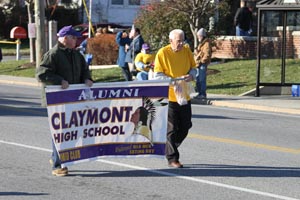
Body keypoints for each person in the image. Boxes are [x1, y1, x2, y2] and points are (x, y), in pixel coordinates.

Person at [36, 25, 93, 177]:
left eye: (76, 38)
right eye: (73, 37)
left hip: (73, 99)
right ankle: (58, 165)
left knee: (70, 131)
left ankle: (56, 157)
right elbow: (41, 73)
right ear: (65, 38)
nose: (76, 40)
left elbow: (85, 69)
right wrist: (59, 80)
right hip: (57, 100)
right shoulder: (53, 54)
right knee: (61, 132)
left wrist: (87, 79)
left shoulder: (76, 54)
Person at [154, 29, 197, 168]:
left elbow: (193, 68)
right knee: (171, 128)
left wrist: (191, 75)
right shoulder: (163, 53)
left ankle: (170, 146)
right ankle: (172, 159)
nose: (180, 44)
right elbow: (158, 75)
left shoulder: (186, 51)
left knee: (185, 126)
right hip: (169, 96)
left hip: (184, 95)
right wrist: (174, 81)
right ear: (170, 40)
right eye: (178, 41)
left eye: (182, 40)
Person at [194, 28, 212, 99]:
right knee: (198, 79)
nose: (198, 37)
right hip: (199, 64)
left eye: (199, 36)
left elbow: (207, 54)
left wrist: (202, 61)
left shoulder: (206, 44)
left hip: (202, 64)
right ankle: (200, 93)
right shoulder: (202, 43)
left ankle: (202, 94)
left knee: (201, 79)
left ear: (202, 36)